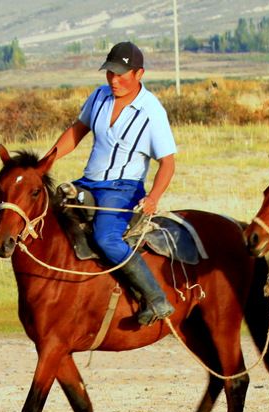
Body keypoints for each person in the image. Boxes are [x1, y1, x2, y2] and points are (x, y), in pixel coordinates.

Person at [47, 41, 177, 326]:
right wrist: (48, 160)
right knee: (49, 214)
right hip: (88, 182)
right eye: (109, 73)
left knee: (106, 238)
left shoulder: (151, 111)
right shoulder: (99, 97)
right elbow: (77, 131)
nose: (114, 80)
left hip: (123, 189)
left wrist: (153, 197)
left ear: (139, 73)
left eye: (121, 75)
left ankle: (156, 298)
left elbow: (168, 162)